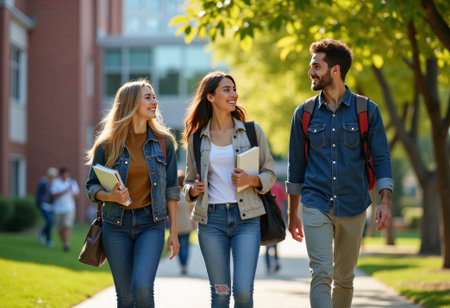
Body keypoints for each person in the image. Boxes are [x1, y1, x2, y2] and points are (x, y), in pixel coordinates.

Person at [286, 38, 393, 308]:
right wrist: (292, 214)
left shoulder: (367, 111)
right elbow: (296, 167)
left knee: (344, 278)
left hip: (354, 203)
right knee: (321, 273)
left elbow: (381, 158)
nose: (310, 72)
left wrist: (386, 202)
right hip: (315, 202)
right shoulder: (304, 113)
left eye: (316, 66)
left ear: (335, 70)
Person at [183, 71, 276, 308]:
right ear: (210, 97)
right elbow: (187, 183)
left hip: (247, 219)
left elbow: (270, 174)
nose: (233, 94)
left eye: (234, 89)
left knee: (243, 292)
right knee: (221, 293)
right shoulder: (197, 139)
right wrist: (193, 189)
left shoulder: (252, 131)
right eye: (226, 89)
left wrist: (251, 180)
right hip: (211, 220)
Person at [85, 79, 180, 308]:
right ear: (130, 103)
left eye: (154, 96)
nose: (154, 101)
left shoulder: (164, 143)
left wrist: (174, 232)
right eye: (148, 97)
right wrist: (110, 196)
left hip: (151, 223)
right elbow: (91, 186)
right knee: (125, 297)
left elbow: (171, 190)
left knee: (142, 288)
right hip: (116, 224)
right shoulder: (107, 145)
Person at [50, 166, 79, 252]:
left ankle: (66, 244)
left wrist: (73, 193)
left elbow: (77, 195)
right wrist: (65, 191)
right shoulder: (55, 183)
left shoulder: (72, 182)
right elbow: (53, 195)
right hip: (58, 209)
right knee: (59, 229)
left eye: (67, 174)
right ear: (61, 174)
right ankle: (64, 242)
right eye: (64, 174)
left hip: (69, 208)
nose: (66, 176)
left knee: (67, 226)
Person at [264, 180, 286, 274]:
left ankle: (269, 266)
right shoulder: (279, 186)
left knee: (268, 244)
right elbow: (285, 198)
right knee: (276, 241)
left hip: (267, 216)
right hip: (278, 216)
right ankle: (276, 261)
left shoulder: (265, 185)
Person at [176, 169, 195, 275]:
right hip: (187, 225)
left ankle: (182, 265)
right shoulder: (187, 195)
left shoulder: (175, 196)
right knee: (186, 246)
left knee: (178, 247)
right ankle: (184, 265)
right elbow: (192, 210)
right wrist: (194, 224)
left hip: (177, 226)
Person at [35, 167, 58, 248]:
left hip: (51, 206)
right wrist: (39, 204)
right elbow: (38, 194)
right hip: (43, 205)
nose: (53, 177)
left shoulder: (55, 183)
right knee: (50, 222)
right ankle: (43, 236)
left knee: (50, 223)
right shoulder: (43, 182)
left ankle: (47, 239)